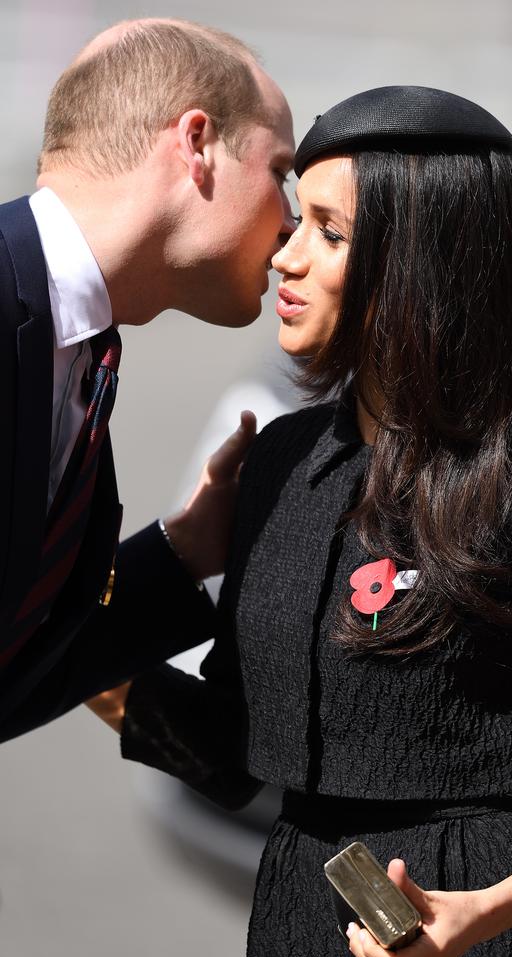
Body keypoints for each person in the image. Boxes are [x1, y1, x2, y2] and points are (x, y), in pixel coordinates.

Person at [90, 87, 512, 957]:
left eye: (329, 232)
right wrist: (76, 658)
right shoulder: (278, 463)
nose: (286, 255)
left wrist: (484, 912)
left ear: (426, 267)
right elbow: (234, 755)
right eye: (292, 220)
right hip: (301, 946)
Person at [0, 18, 295, 742]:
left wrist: (184, 551)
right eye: (280, 172)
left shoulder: (80, 350)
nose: (291, 221)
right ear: (196, 144)